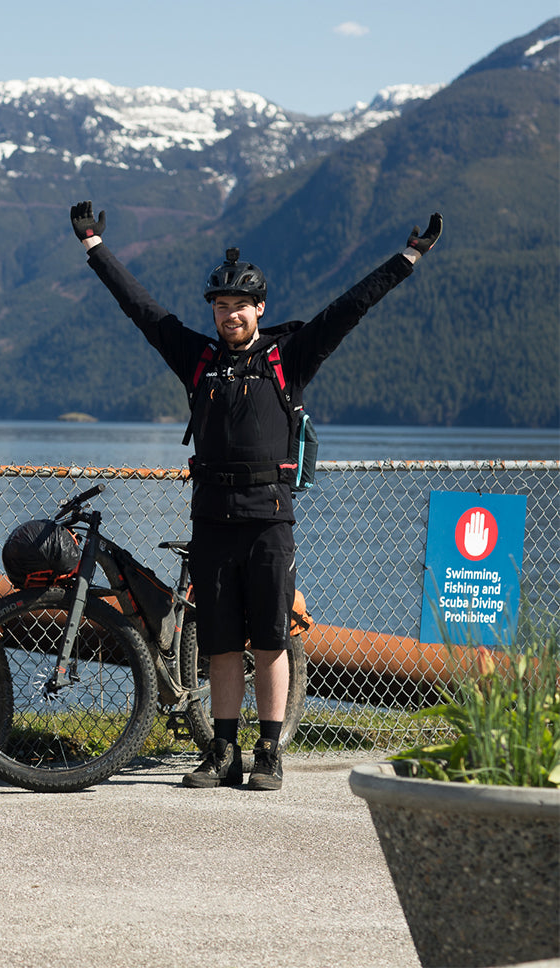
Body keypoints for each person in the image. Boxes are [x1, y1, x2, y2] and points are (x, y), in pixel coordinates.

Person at [68, 200, 442, 790]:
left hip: (269, 517)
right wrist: (93, 246)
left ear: (259, 309)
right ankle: (222, 751)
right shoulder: (196, 358)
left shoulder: (288, 358)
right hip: (212, 517)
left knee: (269, 639)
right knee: (218, 643)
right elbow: (139, 307)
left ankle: (269, 752)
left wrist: (407, 258)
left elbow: (350, 309)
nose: (231, 315)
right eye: (222, 306)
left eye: (240, 306)